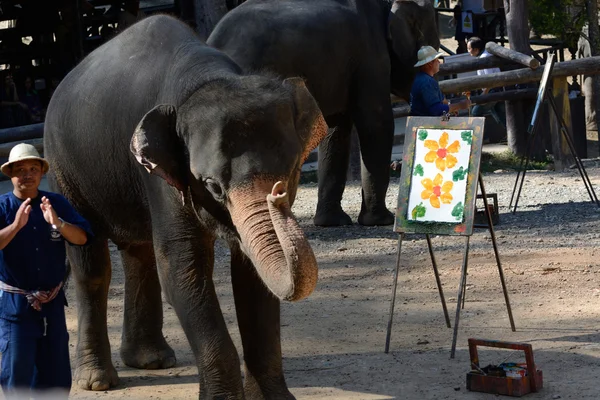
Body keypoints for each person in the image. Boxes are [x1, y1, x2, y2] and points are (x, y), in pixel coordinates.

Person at [0, 143, 92, 399]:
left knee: (56, 376)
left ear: (42, 173)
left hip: (52, 306)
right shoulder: (3, 207)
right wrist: (16, 226)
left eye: (33, 168)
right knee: (16, 376)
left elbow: (82, 238)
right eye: (20, 170)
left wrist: (58, 223)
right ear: (10, 174)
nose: (27, 174)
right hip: (16, 309)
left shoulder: (56, 203)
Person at [410, 45, 471, 117]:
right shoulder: (427, 82)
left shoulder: (420, 78)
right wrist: (459, 105)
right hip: (424, 124)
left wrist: (450, 108)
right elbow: (435, 110)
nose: (439, 62)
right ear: (429, 63)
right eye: (436, 60)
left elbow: (441, 100)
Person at [466, 37, 506, 128]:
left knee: (475, 112)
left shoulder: (484, 59)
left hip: (493, 90)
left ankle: (477, 135)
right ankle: (509, 133)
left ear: (476, 49)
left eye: (469, 49)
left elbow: (490, 80)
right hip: (496, 89)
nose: (468, 51)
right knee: (499, 113)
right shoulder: (483, 56)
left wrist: (484, 94)